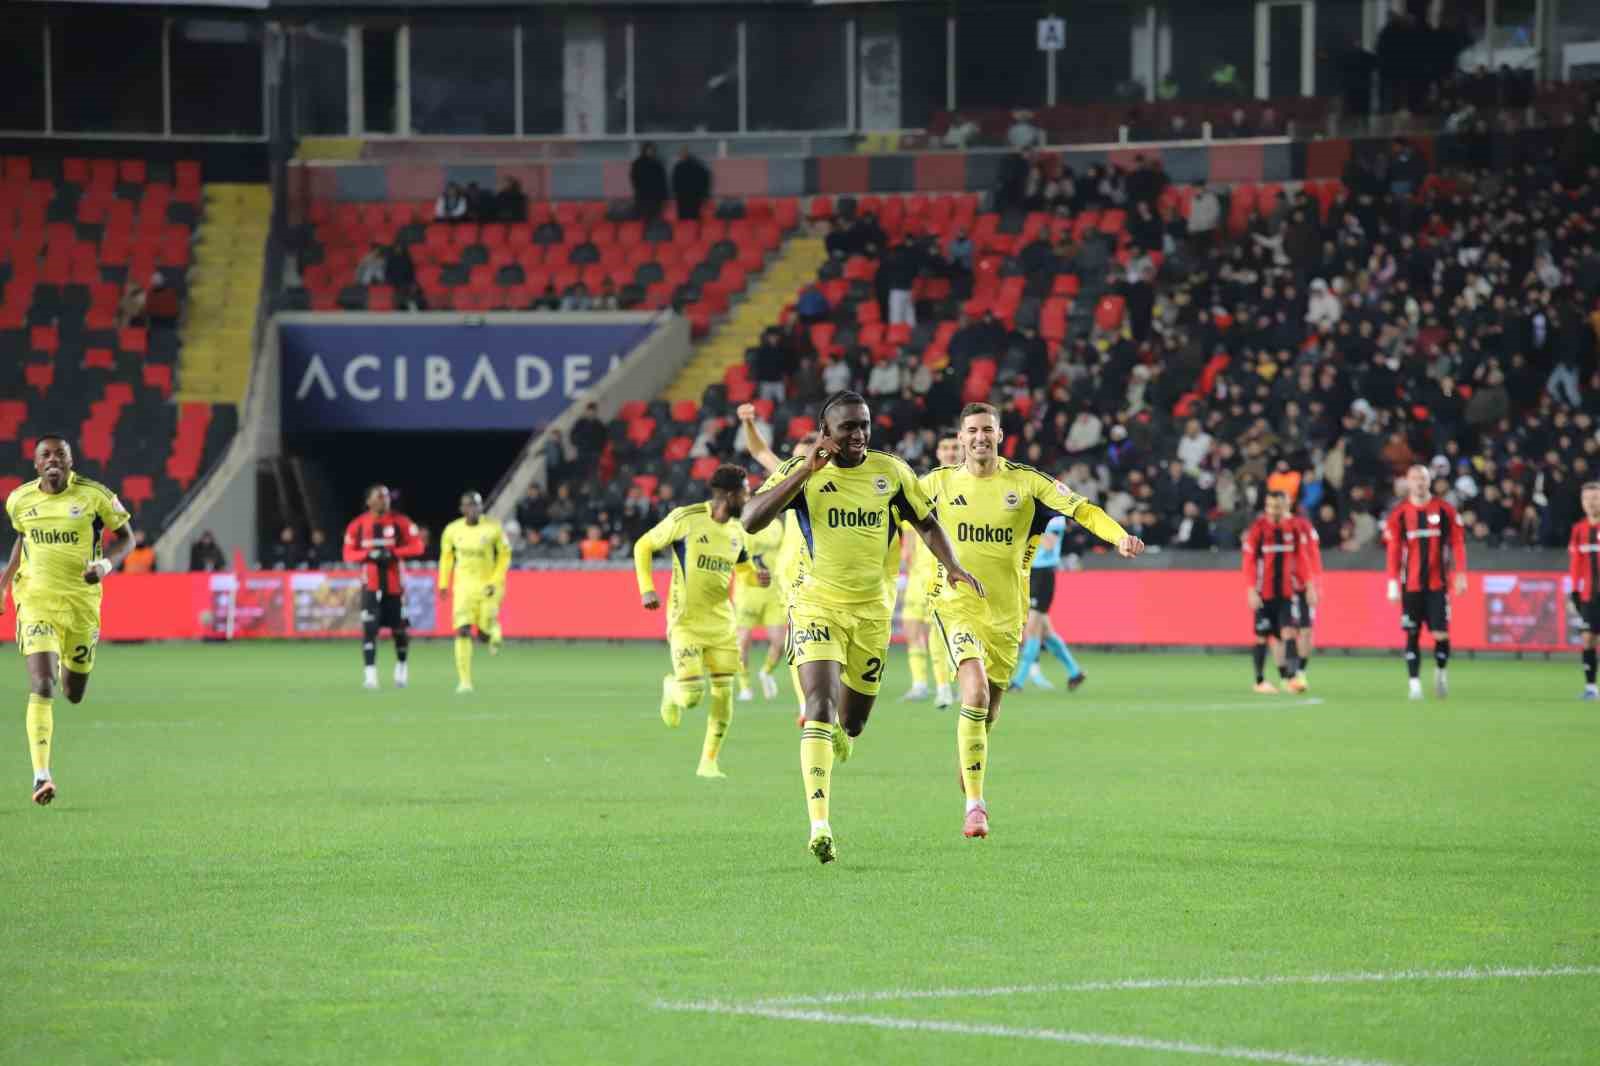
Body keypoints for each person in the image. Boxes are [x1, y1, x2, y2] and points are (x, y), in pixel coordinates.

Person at [742, 391, 983, 864]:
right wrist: (806, 471)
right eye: (847, 427)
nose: (857, 435)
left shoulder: (890, 472)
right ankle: (820, 826)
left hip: (872, 614)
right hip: (816, 606)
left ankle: (841, 739)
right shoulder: (804, 473)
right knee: (818, 706)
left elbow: (927, 522)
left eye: (864, 425)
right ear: (825, 431)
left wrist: (952, 566)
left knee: (851, 722)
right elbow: (751, 519)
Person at [923, 404, 1141, 840]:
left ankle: (970, 759)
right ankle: (976, 808)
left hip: (1007, 616)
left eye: (987, 429)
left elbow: (1082, 509)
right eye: (972, 431)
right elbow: (889, 514)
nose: (980, 437)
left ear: (1000, 435)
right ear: (960, 438)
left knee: (986, 714)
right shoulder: (936, 484)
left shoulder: (1027, 483)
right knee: (975, 690)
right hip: (955, 606)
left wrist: (1119, 536)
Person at [0, 437, 137, 806]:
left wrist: (104, 565)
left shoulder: (95, 496)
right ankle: (41, 776)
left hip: (81, 605)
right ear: (36, 464)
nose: (53, 460)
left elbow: (127, 539)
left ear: (71, 461)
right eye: (46, 455)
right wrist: (2, 585)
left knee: (73, 693)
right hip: (35, 601)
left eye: (60, 454)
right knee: (42, 684)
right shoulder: (19, 500)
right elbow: (21, 540)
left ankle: (65, 662)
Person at [634, 464, 767, 780]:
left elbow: (742, 570)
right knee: (692, 696)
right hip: (686, 622)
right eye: (746, 492)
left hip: (722, 625)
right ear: (730, 494)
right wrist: (647, 588)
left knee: (724, 693)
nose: (749, 498)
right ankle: (671, 689)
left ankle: (709, 762)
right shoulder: (687, 518)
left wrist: (755, 577)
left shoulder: (738, 532)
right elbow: (643, 545)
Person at [738, 406, 815, 723]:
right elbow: (758, 449)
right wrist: (748, 422)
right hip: (793, 573)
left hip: (830, 572)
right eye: (794, 458)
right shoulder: (792, 477)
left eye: (803, 458)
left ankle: (821, 703)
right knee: (799, 639)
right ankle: (806, 707)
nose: (796, 465)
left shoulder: (843, 485)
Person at [1385, 464, 1468, 701]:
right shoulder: (1400, 514)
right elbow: (1393, 550)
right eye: (1414, 479)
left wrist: (1460, 574)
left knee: (1441, 634)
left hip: (1437, 586)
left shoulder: (1445, 510)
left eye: (1423, 479)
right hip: (1410, 585)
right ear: (1408, 483)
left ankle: (1441, 673)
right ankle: (1414, 685)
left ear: (1429, 481)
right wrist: (1392, 583)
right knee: (1411, 634)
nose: (1419, 483)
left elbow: (1458, 544)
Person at [341, 485, 424, 691]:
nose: (384, 500)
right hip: (370, 586)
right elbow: (348, 553)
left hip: (395, 587)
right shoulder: (358, 525)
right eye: (379, 497)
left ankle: (401, 667)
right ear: (369, 501)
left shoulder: (400, 522)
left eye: (386, 497)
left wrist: (393, 553)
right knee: (369, 630)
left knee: (399, 630)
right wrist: (369, 555)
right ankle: (370, 676)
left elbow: (417, 546)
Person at [901, 434, 963, 708]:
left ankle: (945, 687)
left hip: (947, 570)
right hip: (919, 572)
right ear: (938, 451)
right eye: (945, 447)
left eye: (954, 448)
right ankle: (919, 684)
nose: (950, 452)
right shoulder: (925, 485)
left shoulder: (969, 483)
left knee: (941, 632)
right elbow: (911, 522)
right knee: (912, 626)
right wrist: (907, 553)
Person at [438, 491, 510, 695]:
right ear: (462, 509)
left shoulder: (493, 528)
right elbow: (446, 557)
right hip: (463, 588)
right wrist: (443, 582)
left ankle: (493, 631)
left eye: (477, 505)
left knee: (483, 633)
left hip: (487, 585)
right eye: (469, 506)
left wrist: (495, 581)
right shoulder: (452, 530)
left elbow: (504, 556)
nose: (473, 509)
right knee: (462, 630)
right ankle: (465, 681)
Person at [1243, 490, 1314, 695]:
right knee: (1262, 637)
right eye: (1271, 506)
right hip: (1263, 594)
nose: (1274, 510)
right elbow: (1248, 563)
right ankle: (1259, 680)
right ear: (1266, 506)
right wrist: (1251, 590)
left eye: (1278, 506)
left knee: (1289, 633)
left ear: (1286, 507)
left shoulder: (1293, 529)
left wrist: (1308, 585)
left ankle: (1291, 678)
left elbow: (1301, 560)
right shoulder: (1258, 530)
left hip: (1285, 593)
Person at [1009, 513, 1086, 692]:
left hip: (1042, 575)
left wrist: (1026, 527)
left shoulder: (1053, 517)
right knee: (1046, 631)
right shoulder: (1036, 510)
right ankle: (1074, 671)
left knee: (1032, 629)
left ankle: (1018, 682)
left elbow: (1049, 543)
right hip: (1030, 573)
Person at [1568, 481, 1600, 700]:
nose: (1590, 503)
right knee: (1588, 638)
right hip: (1589, 595)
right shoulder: (1579, 530)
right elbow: (1575, 564)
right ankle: (1591, 688)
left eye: (1595, 498)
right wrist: (1574, 591)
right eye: (1586, 499)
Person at [1286, 506, 1324, 682]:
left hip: (1304, 585)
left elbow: (1314, 556)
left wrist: (1315, 584)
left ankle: (1301, 670)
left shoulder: (1304, 527)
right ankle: (1291, 672)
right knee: (1289, 629)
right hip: (1284, 586)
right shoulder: (1272, 526)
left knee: (1306, 629)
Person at [672, 147, 712, 222]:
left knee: (684, 220)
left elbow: (675, 183)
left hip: (684, 198)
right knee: (694, 219)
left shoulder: (679, 167)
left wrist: (676, 193)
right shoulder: (699, 165)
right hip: (695, 197)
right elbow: (705, 180)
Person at [630, 143, 668, 222]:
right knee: (643, 220)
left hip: (655, 198)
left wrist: (664, 197)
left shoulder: (657, 163)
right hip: (643, 197)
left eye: (652, 150)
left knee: (655, 219)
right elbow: (634, 179)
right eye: (649, 150)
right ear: (644, 150)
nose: (651, 152)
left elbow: (662, 181)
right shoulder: (638, 163)